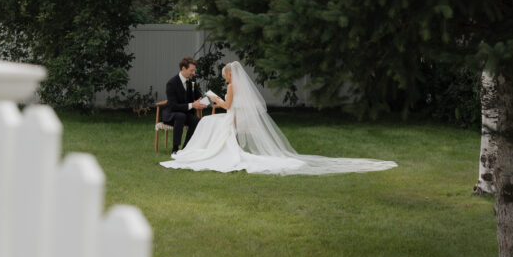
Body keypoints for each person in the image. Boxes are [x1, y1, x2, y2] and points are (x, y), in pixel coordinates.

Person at [160, 61, 397, 176]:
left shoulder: (232, 87)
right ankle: (190, 149)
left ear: (230, 75)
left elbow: (227, 106)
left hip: (229, 117)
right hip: (230, 117)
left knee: (208, 122)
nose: (225, 79)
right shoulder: (237, 86)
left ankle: (197, 151)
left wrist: (215, 98)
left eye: (225, 76)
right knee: (206, 122)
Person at [161, 57, 206, 153]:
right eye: (191, 70)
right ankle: (175, 149)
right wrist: (192, 105)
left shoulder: (192, 80)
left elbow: (198, 95)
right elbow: (173, 106)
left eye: (194, 70)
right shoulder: (171, 83)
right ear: (183, 68)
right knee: (180, 116)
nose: (193, 73)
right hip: (172, 114)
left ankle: (186, 148)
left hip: (186, 114)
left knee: (197, 121)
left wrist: (202, 101)